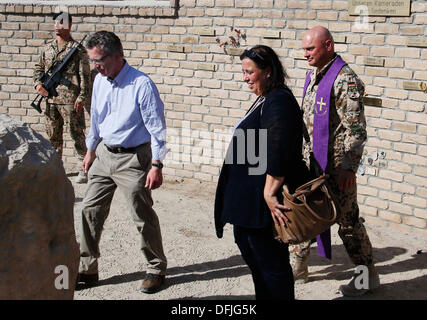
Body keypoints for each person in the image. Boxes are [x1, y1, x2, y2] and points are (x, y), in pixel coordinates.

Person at [214, 45, 311, 300]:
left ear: (267, 71)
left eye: (250, 72)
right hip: (248, 205)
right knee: (258, 264)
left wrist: (269, 193)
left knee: (271, 266)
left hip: (261, 207)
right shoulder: (265, 98)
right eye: (243, 71)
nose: (245, 77)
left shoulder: (279, 100)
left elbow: (279, 151)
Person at [289, 26, 380, 297]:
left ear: (328, 45)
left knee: (348, 224)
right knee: (304, 212)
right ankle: (298, 267)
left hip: (336, 169)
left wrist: (348, 167)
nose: (305, 54)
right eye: (304, 48)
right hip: (311, 165)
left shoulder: (345, 80)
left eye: (310, 49)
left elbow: (357, 131)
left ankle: (367, 277)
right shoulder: (315, 74)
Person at [76, 31, 168, 294]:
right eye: (92, 61)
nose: (95, 66)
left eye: (99, 61)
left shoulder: (141, 85)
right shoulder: (101, 81)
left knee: (141, 215)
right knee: (89, 210)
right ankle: (87, 269)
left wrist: (157, 164)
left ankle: (156, 268)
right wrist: (91, 149)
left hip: (134, 159)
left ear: (117, 56)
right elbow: (96, 118)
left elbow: (157, 128)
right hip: (105, 155)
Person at [33, 11, 90, 184]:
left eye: (62, 23)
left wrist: (81, 98)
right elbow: (38, 69)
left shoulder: (77, 50)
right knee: (52, 136)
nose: (58, 27)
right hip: (50, 99)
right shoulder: (47, 48)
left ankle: (85, 168)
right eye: (55, 23)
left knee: (76, 134)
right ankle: (55, 168)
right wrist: (38, 85)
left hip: (70, 100)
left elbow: (85, 76)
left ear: (69, 25)